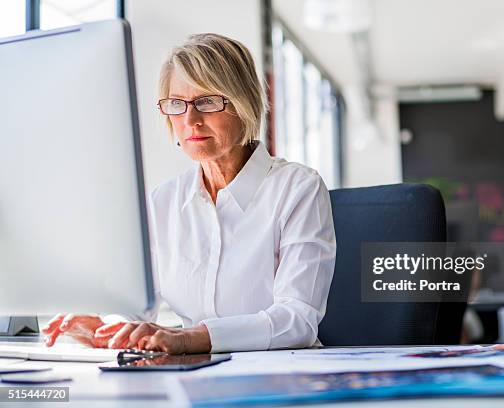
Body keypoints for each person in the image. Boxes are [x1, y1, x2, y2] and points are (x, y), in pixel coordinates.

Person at [42, 33, 336, 354]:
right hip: (194, 374)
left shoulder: (298, 188)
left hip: (281, 374)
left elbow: (298, 320)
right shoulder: (164, 200)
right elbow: (137, 307)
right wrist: (106, 325)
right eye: (176, 104)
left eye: (207, 101)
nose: (190, 120)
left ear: (244, 103)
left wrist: (190, 338)